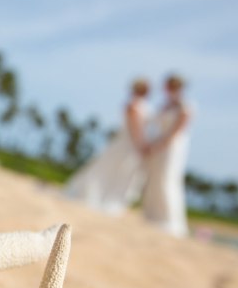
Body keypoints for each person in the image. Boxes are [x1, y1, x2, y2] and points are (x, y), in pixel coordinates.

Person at [65, 78, 151, 214]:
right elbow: (135, 128)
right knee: (115, 170)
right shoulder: (133, 105)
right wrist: (141, 145)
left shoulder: (141, 106)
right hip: (128, 144)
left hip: (130, 144)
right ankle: (104, 198)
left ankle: (109, 199)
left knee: (119, 171)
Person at [142, 74, 192, 237]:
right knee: (155, 179)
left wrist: (159, 145)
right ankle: (153, 215)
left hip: (172, 148)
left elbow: (176, 132)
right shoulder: (165, 106)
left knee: (168, 179)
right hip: (158, 144)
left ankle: (169, 220)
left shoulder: (185, 107)